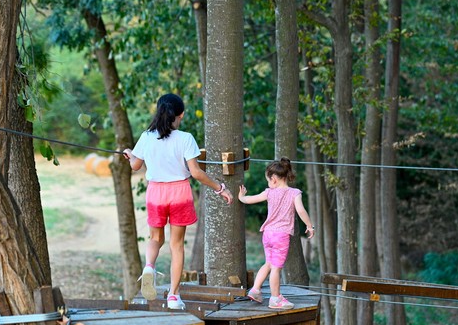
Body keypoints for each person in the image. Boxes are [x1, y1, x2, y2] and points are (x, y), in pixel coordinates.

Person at [123, 93, 233, 309]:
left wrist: (129, 153)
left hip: (155, 193)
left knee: (155, 238)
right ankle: (173, 296)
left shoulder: (147, 136)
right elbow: (197, 173)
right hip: (179, 193)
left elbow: (135, 166)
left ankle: (149, 267)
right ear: (180, 114)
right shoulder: (185, 138)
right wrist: (220, 188)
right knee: (176, 245)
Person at [238, 158, 314, 309]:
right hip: (281, 235)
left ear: (273, 179)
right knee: (276, 268)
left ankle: (255, 289)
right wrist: (309, 225)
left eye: (267, 180)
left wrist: (241, 197)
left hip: (267, 234)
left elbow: (250, 199)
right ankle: (275, 298)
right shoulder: (294, 193)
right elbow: (300, 210)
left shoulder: (269, 192)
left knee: (269, 263)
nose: (267, 183)